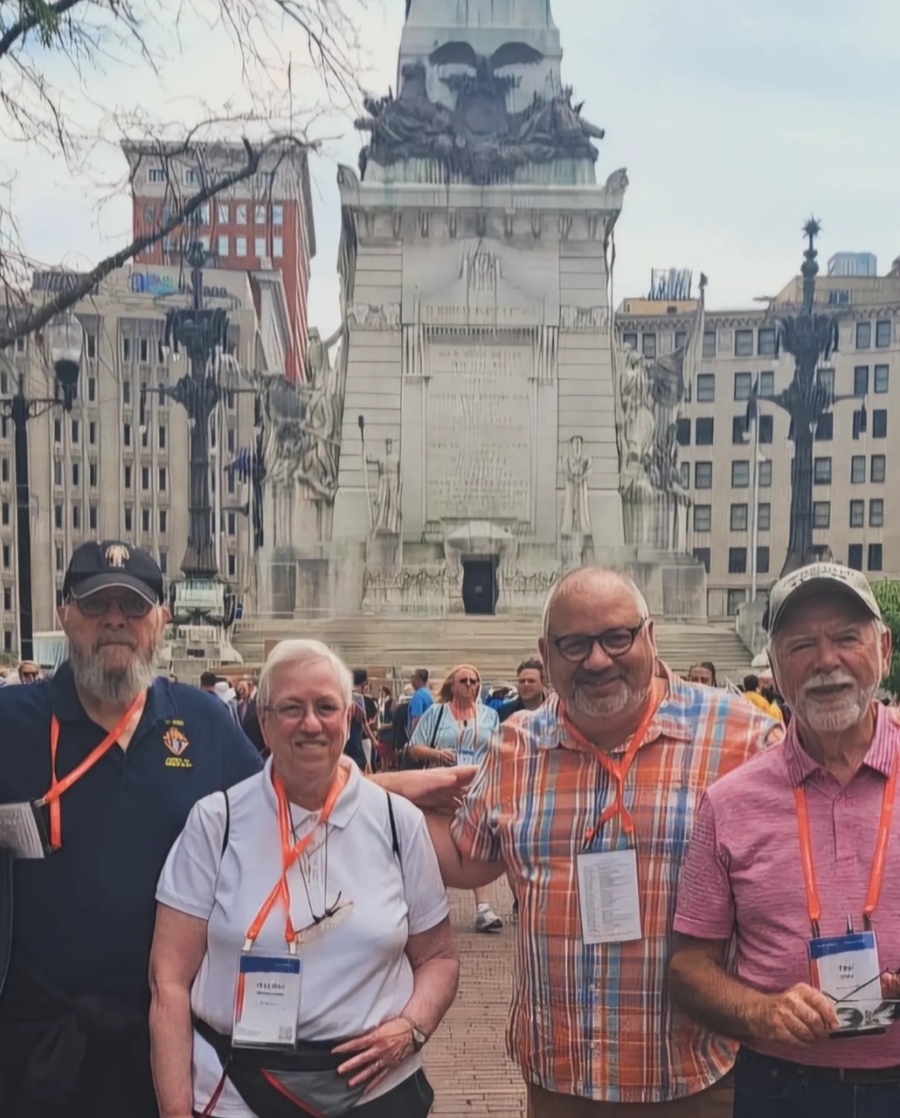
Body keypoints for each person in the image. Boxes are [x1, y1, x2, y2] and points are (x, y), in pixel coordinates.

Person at [422, 567, 781, 1116]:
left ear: (650, 636)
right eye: (574, 644)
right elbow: (467, 858)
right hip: (560, 1076)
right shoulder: (518, 743)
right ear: (546, 653)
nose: (596, 660)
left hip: (692, 1074)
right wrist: (359, 794)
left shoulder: (742, 736)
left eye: (617, 637)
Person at [0, 540, 263, 1118]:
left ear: (162, 620)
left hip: (167, 1037)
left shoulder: (203, 722)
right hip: (39, 1043)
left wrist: (377, 787)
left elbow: (276, 808)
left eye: (134, 606)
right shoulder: (11, 721)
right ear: (66, 614)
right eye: (97, 606)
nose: (115, 620)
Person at [150, 639, 459, 1118]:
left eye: (326, 707)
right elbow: (168, 980)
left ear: (349, 719)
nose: (310, 723)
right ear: (265, 723)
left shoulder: (398, 821)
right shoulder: (217, 820)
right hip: (236, 1088)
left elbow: (438, 957)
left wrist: (412, 1028)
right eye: (291, 708)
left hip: (375, 1086)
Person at [670, 563, 900, 1118]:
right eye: (801, 645)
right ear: (774, 667)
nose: (826, 661)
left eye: (847, 638)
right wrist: (761, 1012)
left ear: (884, 649)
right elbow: (687, 968)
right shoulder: (729, 801)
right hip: (781, 1087)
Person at [408, 665, 504, 935]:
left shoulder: (489, 715)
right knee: (437, 845)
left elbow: (497, 749)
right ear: (453, 684)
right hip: (440, 787)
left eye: (475, 681)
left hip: (477, 789)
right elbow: (414, 747)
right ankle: (434, 909)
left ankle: (483, 909)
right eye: (464, 681)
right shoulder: (436, 713)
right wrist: (438, 754)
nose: (470, 685)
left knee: (478, 844)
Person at [497, 658, 547, 723]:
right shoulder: (505, 712)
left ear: (543, 683)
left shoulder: (555, 709)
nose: (526, 684)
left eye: (531, 681)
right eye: (522, 681)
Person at [407, 668, 434, 734]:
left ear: (419, 679)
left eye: (413, 677)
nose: (411, 681)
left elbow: (416, 719)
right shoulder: (429, 694)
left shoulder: (418, 696)